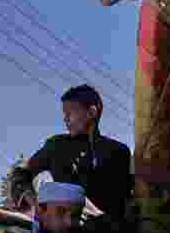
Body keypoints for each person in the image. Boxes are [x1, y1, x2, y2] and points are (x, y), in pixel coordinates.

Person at [9, 85, 132, 220]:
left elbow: (122, 203)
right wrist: (32, 200)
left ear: (92, 112)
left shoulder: (118, 152)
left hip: (102, 232)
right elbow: (21, 174)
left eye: (70, 113)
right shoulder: (56, 145)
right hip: (58, 230)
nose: (65, 119)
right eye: (64, 114)